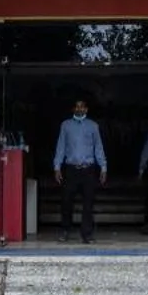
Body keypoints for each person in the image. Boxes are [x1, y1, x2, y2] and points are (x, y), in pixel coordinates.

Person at [53, 98, 106, 244]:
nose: (79, 109)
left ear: (86, 109)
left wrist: (103, 167)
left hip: (88, 169)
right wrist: (57, 167)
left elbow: (98, 148)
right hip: (71, 169)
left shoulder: (93, 126)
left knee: (88, 203)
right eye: (77, 106)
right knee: (66, 202)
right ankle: (65, 230)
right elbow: (61, 147)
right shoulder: (66, 126)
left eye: (82, 106)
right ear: (73, 109)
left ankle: (87, 234)